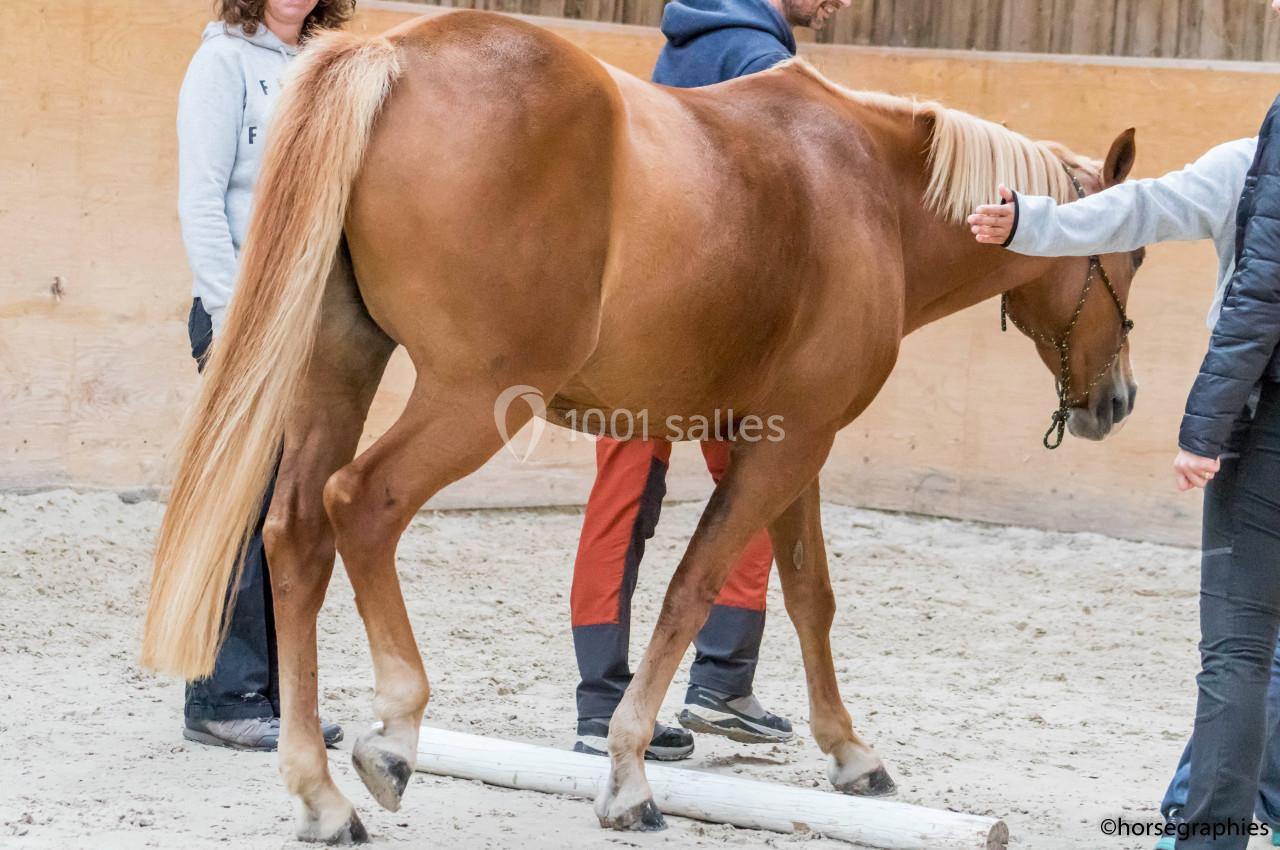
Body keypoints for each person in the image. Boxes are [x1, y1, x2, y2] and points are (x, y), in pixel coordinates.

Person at [965, 93, 1280, 850]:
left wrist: (1034, 223)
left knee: (1240, 647)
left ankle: (1205, 829)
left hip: (1265, 419)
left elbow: (1142, 210)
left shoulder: (1249, 166)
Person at [570, 0, 853, 761]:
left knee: (621, 500)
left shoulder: (687, 44)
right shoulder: (763, 63)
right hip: (719, 325)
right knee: (759, 485)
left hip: (636, 306)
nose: (844, 4)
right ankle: (720, 682)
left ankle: (600, 700)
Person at [176, 0, 352, 751]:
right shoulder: (221, 62)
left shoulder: (325, 62)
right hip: (242, 315)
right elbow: (201, 197)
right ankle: (221, 698)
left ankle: (276, 694)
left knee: (292, 505)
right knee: (243, 508)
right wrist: (229, 316)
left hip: (309, 317)